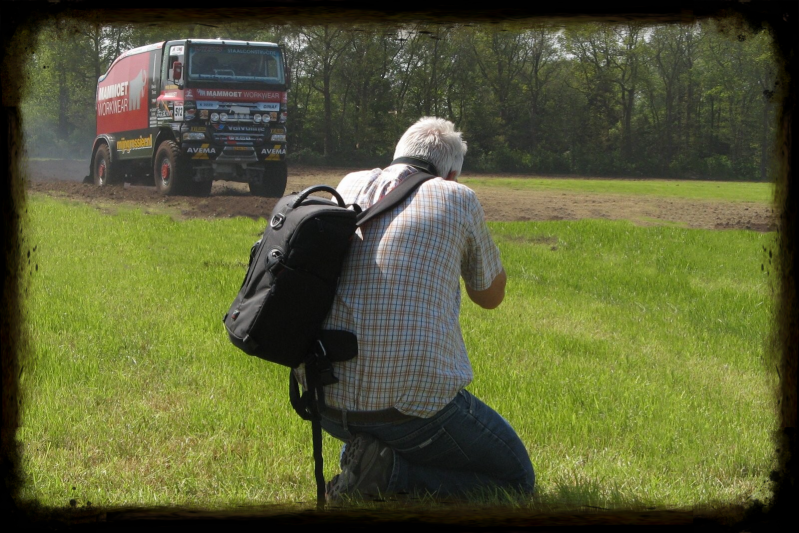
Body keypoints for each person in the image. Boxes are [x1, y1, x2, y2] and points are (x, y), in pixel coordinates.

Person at [296, 117, 535, 502]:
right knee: (516, 480)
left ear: (395, 156)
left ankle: (368, 457)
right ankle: (390, 474)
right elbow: (490, 296)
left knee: (395, 423)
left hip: (324, 400)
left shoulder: (349, 183)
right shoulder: (458, 197)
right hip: (409, 411)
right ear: (452, 172)